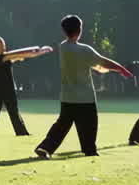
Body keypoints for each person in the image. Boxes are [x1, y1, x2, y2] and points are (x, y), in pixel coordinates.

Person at [34, 15, 133, 159]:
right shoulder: (84, 50)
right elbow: (103, 62)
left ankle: (45, 148)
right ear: (79, 30)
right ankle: (89, 150)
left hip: (67, 96)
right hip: (85, 97)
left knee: (61, 125)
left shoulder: (62, 47)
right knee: (89, 125)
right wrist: (121, 69)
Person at [0, 37, 53, 137]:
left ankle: (22, 133)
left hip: (9, 90)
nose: (1, 46)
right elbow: (17, 54)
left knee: (14, 112)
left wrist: (40, 52)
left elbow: (23, 55)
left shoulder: (8, 57)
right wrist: (36, 50)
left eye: (2, 44)